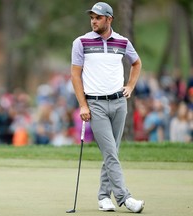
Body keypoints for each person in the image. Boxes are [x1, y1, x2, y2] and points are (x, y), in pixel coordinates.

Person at [70, 2, 144, 213]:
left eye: (98, 17)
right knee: (111, 152)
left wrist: (130, 85)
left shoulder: (122, 41)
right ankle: (125, 198)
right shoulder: (81, 42)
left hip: (119, 102)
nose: (94, 20)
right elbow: (75, 74)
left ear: (109, 19)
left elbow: (136, 63)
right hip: (95, 104)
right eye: (92, 17)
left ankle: (104, 197)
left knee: (113, 151)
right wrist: (83, 105)